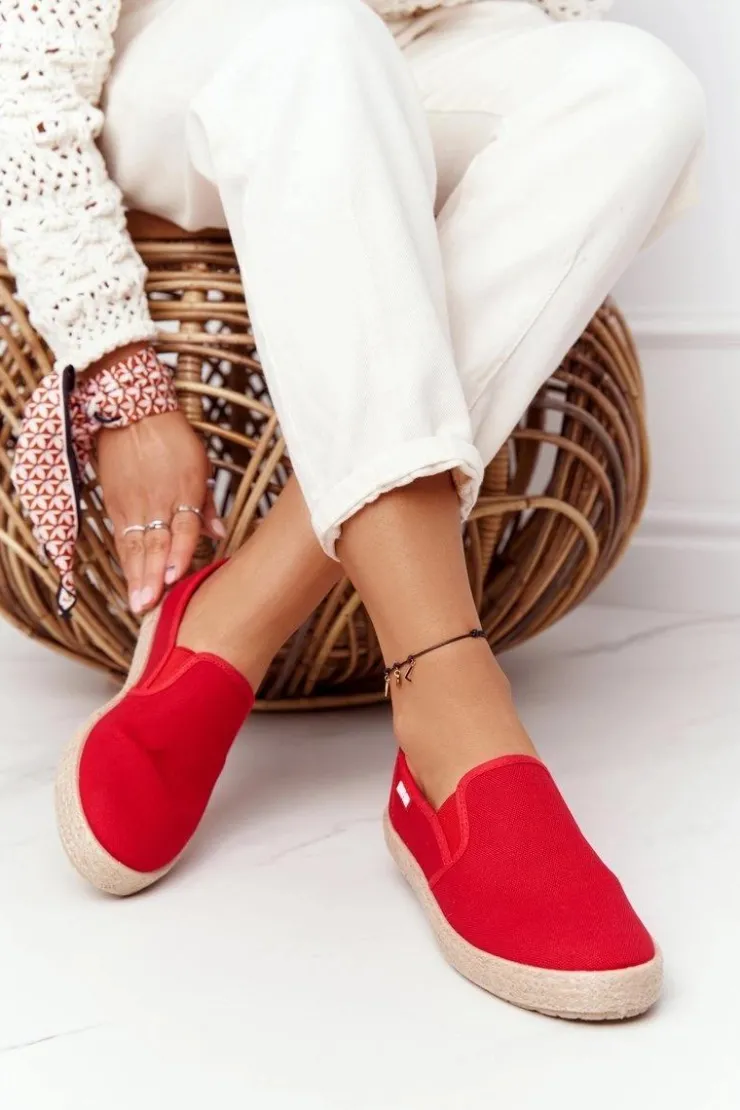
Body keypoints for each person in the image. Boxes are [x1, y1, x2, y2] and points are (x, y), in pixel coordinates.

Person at [0, 0, 704, 1020]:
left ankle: (240, 610)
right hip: (194, 63)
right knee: (315, 40)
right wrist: (120, 373)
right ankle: (450, 706)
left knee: (639, 92)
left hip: (409, 50)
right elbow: (20, 78)